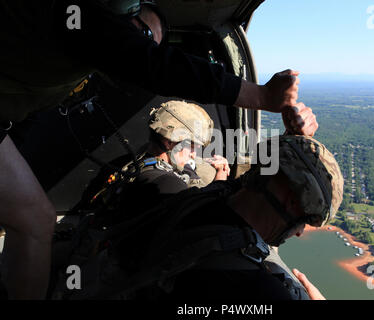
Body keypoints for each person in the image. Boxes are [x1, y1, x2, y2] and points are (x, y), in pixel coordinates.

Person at [0, 0, 313, 299]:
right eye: (145, 35)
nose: (196, 156)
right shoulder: (159, 181)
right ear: (171, 139)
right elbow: (151, 63)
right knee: (36, 221)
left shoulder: (142, 167)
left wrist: (286, 144)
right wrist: (262, 98)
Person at [153, 135, 343, 301]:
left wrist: (290, 150)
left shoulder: (203, 198)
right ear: (291, 202)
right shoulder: (260, 291)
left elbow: (260, 179)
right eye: (305, 221)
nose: (301, 232)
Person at [74, 100, 231, 215]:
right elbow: (205, 218)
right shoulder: (168, 184)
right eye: (191, 146)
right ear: (169, 142)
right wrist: (221, 178)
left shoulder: (129, 163)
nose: (193, 155)